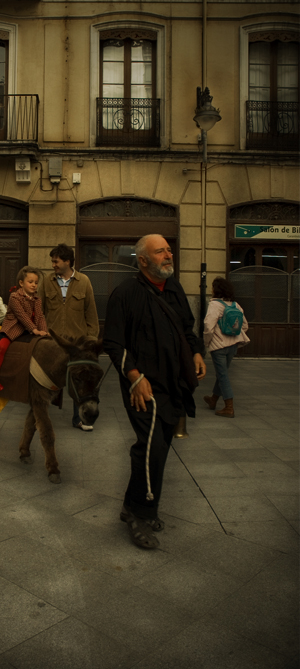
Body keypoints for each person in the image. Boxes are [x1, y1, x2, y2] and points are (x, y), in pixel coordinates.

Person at [103, 234, 206, 550]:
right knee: (151, 446)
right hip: (142, 386)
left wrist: (197, 352)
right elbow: (113, 343)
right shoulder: (125, 294)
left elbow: (187, 329)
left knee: (160, 445)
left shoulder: (174, 288)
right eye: (160, 251)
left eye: (169, 250)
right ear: (143, 260)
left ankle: (129, 505)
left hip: (172, 384)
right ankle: (140, 515)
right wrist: (134, 377)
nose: (168, 255)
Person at [39, 243, 99, 431]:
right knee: (46, 379)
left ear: (67, 261)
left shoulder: (84, 281)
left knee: (79, 379)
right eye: (52, 261)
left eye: (56, 261)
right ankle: (41, 416)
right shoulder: (46, 281)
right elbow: (39, 311)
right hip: (53, 342)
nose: (53, 264)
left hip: (78, 344)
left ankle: (79, 418)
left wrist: (91, 340)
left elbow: (91, 314)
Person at [0, 266, 48, 392]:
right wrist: (35, 330)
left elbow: (40, 316)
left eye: (36, 283)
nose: (34, 285)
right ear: (21, 283)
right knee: (2, 346)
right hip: (14, 327)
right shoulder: (14, 297)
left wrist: (44, 331)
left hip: (30, 329)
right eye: (30, 282)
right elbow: (22, 317)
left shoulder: (37, 299)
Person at [203, 277, 250, 418]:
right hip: (233, 346)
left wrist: (206, 342)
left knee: (222, 375)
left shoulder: (215, 305)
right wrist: (232, 334)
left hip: (219, 347)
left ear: (216, 290)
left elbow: (208, 327)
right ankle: (213, 400)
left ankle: (229, 407)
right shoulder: (235, 305)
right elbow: (245, 325)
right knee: (222, 374)